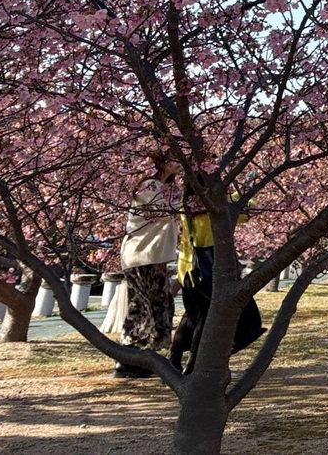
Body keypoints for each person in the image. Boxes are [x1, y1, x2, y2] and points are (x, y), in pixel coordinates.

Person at [169, 187, 265, 375]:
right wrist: (249, 190)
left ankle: (175, 359)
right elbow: (246, 212)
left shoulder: (185, 202)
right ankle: (193, 364)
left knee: (193, 316)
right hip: (210, 270)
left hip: (187, 269)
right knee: (211, 317)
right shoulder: (216, 204)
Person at [113, 150, 180, 379]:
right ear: (161, 162)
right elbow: (165, 210)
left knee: (156, 303)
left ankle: (142, 355)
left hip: (154, 255)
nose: (179, 163)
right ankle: (131, 356)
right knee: (146, 304)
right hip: (141, 254)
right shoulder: (150, 186)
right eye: (174, 159)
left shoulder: (168, 188)